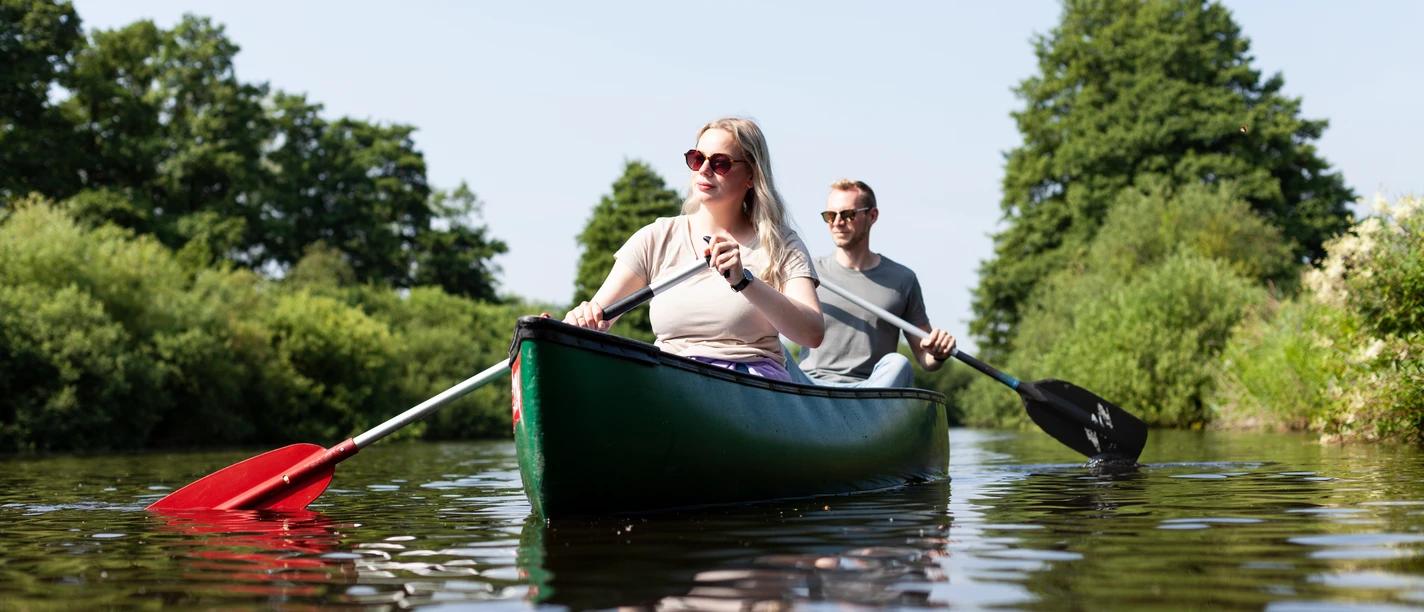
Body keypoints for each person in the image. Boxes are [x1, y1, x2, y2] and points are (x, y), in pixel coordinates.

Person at [563, 118, 824, 381]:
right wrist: (577, 322)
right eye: (697, 159)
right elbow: (599, 316)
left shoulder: (781, 244)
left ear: (751, 176)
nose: (704, 170)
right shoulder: (656, 237)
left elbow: (812, 334)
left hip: (748, 384)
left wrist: (744, 281)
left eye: (720, 163)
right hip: (671, 380)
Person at [788, 179, 956, 388]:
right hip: (809, 385)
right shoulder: (806, 270)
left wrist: (938, 353)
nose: (837, 222)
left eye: (847, 214)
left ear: (872, 216)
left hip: (871, 390)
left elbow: (925, 357)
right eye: (830, 215)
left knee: (898, 363)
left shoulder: (902, 279)